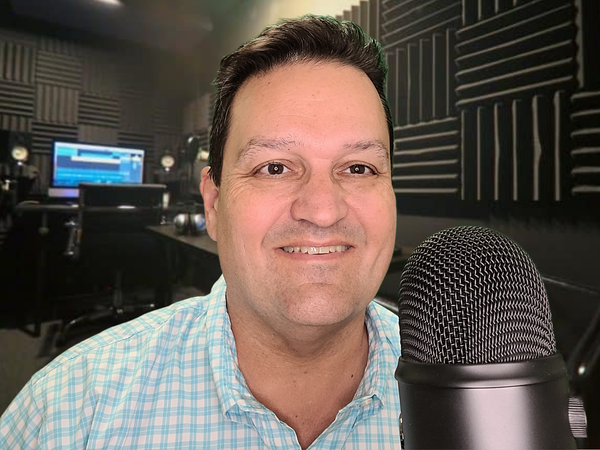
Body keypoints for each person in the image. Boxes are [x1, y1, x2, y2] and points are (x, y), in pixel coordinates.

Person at [0, 14, 400, 449]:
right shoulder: (70, 412)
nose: (322, 211)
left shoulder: (474, 379)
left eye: (359, 168)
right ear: (213, 203)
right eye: (275, 167)